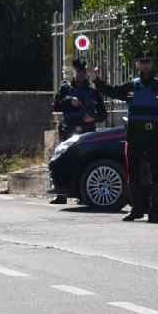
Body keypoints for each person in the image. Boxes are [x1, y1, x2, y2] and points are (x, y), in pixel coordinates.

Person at [91, 53, 158, 223]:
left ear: (151, 64)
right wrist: (96, 80)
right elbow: (112, 91)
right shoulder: (131, 86)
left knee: (155, 173)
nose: (145, 66)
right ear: (137, 65)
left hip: (153, 135)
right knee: (133, 173)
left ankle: (153, 211)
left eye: (148, 62)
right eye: (142, 62)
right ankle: (136, 210)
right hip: (134, 135)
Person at [50, 58, 107, 204]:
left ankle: (82, 194)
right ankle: (61, 193)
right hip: (68, 130)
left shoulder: (93, 92)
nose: (81, 75)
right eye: (78, 72)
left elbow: (103, 114)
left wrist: (92, 117)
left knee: (85, 161)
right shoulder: (65, 89)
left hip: (87, 131)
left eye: (83, 72)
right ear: (74, 72)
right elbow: (55, 106)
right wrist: (69, 100)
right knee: (63, 160)